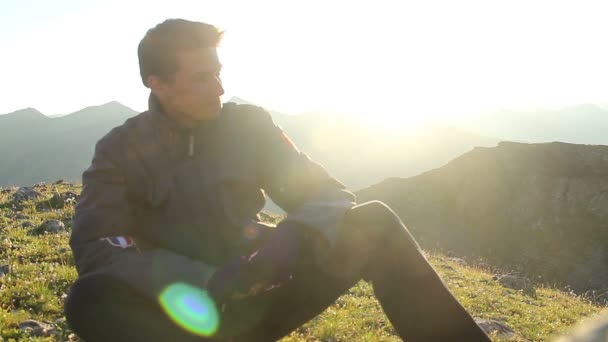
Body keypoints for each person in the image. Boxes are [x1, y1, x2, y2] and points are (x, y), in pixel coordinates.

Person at [64, 18, 491, 342]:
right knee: (89, 300)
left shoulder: (248, 125)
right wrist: (201, 279)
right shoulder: (119, 149)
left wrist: (283, 248)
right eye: (202, 77)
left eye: (218, 71)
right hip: (184, 313)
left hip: (260, 291)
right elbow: (97, 246)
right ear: (157, 83)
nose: (219, 87)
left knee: (375, 222)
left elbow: (327, 193)